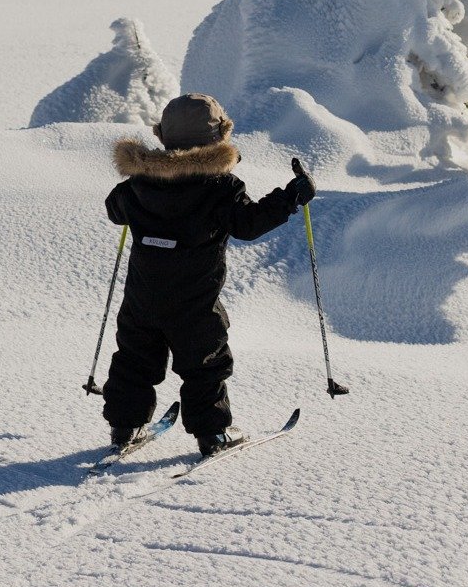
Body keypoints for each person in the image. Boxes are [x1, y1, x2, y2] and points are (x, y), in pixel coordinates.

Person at [101, 92, 316, 457]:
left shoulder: (137, 183)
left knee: (134, 360)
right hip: (194, 302)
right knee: (205, 364)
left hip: (142, 299)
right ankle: (212, 433)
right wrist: (290, 198)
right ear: (218, 138)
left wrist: (138, 188)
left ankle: (125, 426)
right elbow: (248, 223)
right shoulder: (220, 188)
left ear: (164, 136)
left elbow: (114, 209)